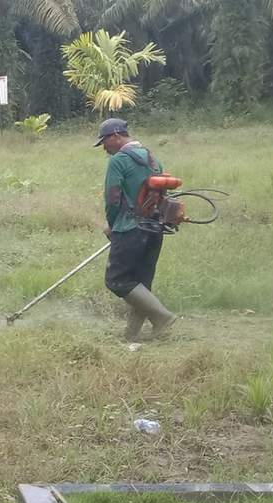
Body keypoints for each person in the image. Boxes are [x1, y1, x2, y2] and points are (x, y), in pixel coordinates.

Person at [95, 118, 176, 342]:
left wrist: (112, 226)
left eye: (104, 141)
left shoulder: (119, 160)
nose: (104, 147)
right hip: (155, 228)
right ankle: (131, 335)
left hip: (130, 228)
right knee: (141, 283)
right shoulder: (152, 158)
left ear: (115, 136)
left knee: (117, 280)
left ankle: (162, 317)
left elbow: (112, 199)